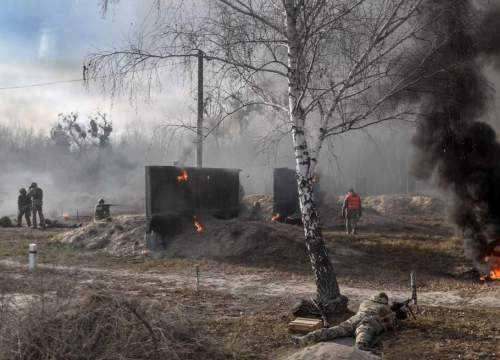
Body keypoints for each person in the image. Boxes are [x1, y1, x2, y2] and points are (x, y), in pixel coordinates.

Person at [292, 292, 397, 350]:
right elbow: (393, 322)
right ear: (384, 301)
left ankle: (304, 339)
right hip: (368, 322)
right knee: (362, 336)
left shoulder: (365, 302)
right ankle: (360, 349)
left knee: (333, 331)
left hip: (354, 319)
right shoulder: (385, 308)